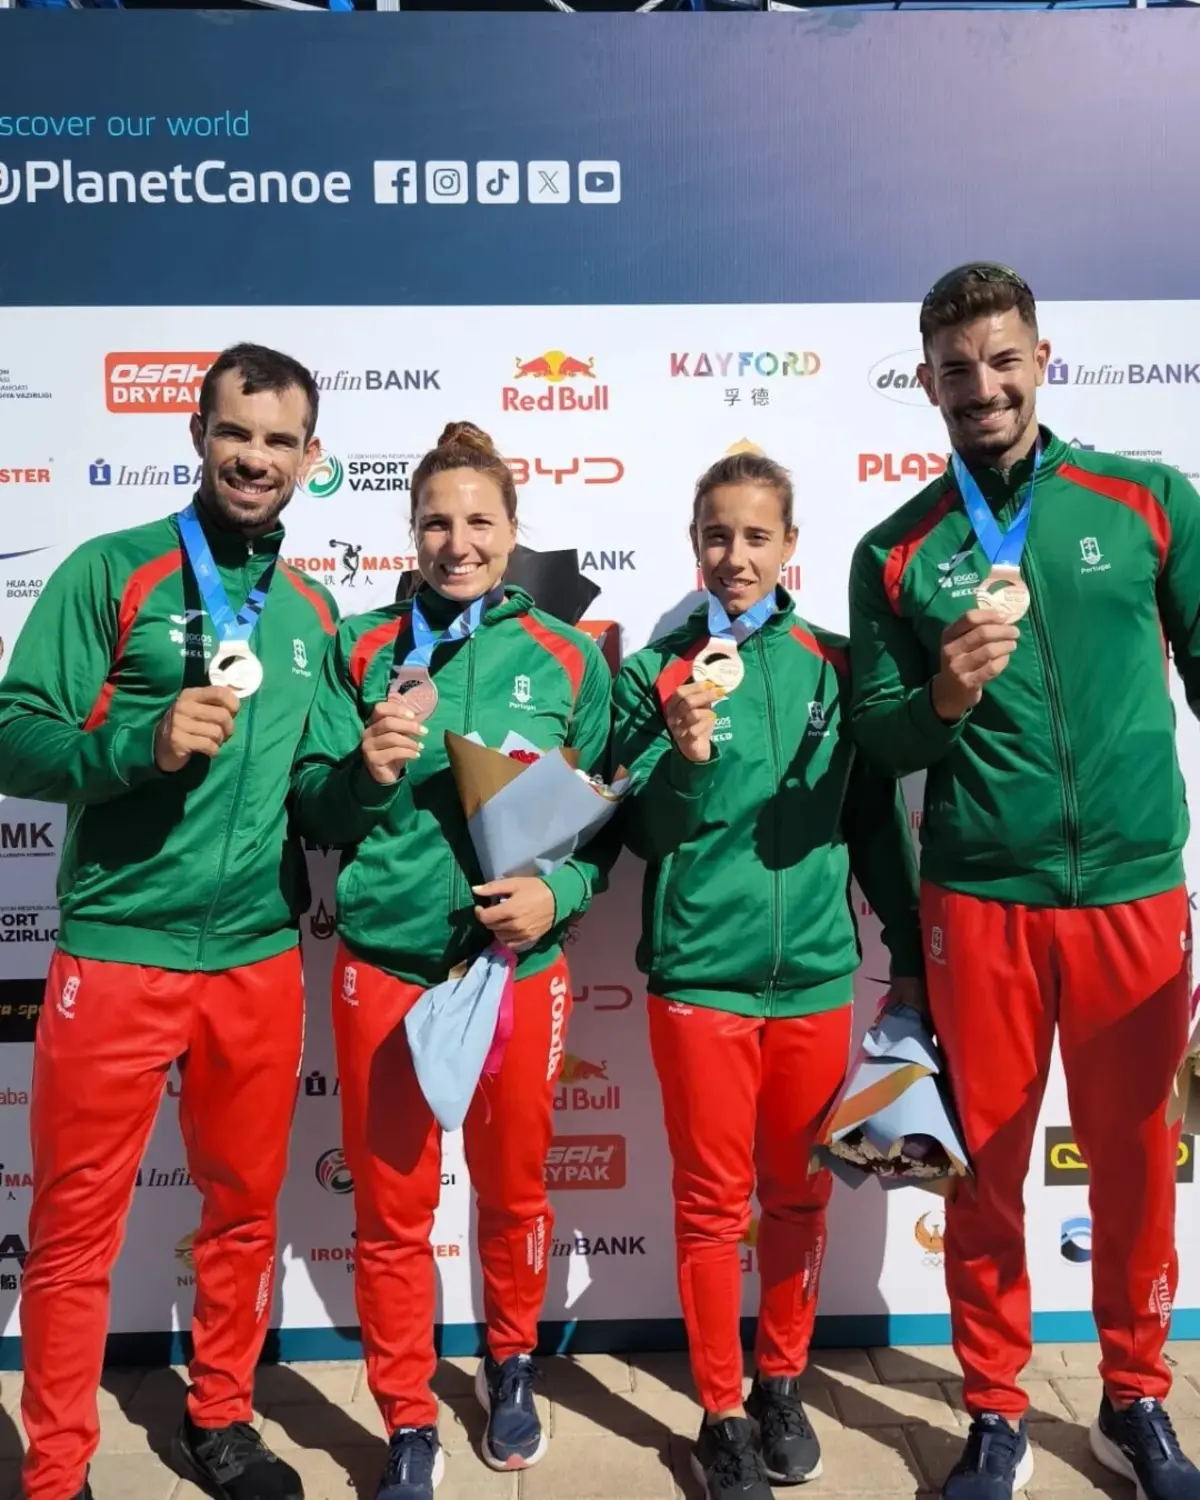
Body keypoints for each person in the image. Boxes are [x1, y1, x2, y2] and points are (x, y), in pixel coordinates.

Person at [848, 262, 1200, 1500]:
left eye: (1002, 360)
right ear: (926, 379)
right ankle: (996, 1408)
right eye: (955, 367)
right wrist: (946, 688)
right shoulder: (896, 551)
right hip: (980, 902)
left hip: (1133, 896)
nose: (980, 386)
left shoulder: (1149, 500)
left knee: (1138, 1164)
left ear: (1043, 359)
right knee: (987, 1170)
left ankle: (1133, 1401)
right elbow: (881, 742)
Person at [0, 343, 337, 1500]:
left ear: (311, 460)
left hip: (255, 959)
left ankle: (221, 1421)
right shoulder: (116, 571)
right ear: (199, 434)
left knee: (243, 1211)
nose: (254, 458)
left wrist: (379, 774)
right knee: (76, 1228)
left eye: (279, 441)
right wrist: (132, 747)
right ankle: (55, 1471)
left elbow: (319, 792)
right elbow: (13, 733)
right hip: (118, 951)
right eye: (236, 432)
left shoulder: (307, 613)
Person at [290, 421, 612, 1500]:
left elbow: (603, 825)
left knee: (517, 1196)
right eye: (437, 519)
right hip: (385, 966)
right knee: (390, 1212)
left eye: (480, 520)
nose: (457, 541)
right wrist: (366, 777)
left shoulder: (567, 658)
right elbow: (318, 809)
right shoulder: (358, 650)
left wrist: (557, 891)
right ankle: (407, 1414)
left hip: (515, 974)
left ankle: (510, 1362)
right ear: (411, 529)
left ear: (514, 533)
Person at [610, 448, 924, 1500]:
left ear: (793, 546)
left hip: (815, 985)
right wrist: (687, 760)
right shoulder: (655, 672)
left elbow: (874, 825)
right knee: (709, 1207)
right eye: (716, 535)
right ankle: (722, 1408)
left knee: (795, 1197)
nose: (734, 557)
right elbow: (645, 832)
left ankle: (781, 1377)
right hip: (700, 981)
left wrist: (914, 952)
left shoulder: (839, 666)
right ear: (692, 542)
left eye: (755, 537)